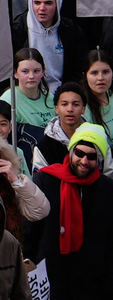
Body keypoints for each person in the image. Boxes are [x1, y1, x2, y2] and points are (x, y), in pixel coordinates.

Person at [25, 123, 113, 298]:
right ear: (71, 152)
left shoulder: (108, 188)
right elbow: (31, 229)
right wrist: (28, 262)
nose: (84, 161)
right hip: (51, 277)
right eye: (79, 154)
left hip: (92, 282)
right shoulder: (46, 179)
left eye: (91, 156)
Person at [11, 0, 87, 89]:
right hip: (28, 93)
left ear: (58, 3)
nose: (42, 8)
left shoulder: (71, 29)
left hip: (62, 94)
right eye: (37, 3)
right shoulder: (18, 30)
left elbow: (80, 66)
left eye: (48, 3)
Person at [0, 48, 55, 128]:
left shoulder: (51, 99)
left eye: (36, 71)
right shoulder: (8, 100)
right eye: (25, 71)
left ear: (43, 72)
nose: (31, 76)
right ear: (15, 73)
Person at [82, 50, 113, 132]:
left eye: (105, 72)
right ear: (85, 75)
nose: (100, 78)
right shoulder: (80, 105)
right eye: (94, 73)